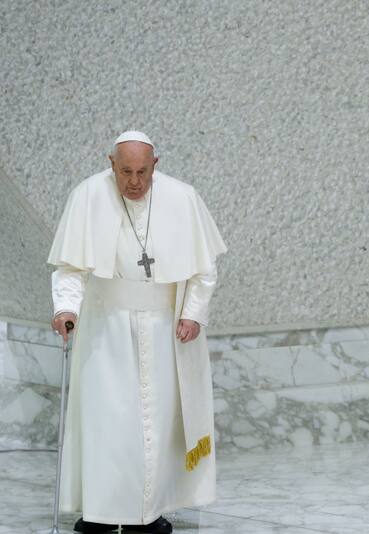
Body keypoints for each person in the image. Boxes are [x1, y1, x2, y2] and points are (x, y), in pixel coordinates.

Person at [48, 131, 227, 533]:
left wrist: (194, 314)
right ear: (110, 163)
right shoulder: (88, 196)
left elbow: (204, 270)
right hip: (106, 328)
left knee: (160, 425)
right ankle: (100, 512)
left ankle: (150, 513)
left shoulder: (182, 198)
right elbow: (70, 268)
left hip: (166, 330)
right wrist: (65, 308)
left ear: (155, 165)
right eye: (125, 171)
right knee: (109, 424)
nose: (134, 181)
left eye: (142, 172)